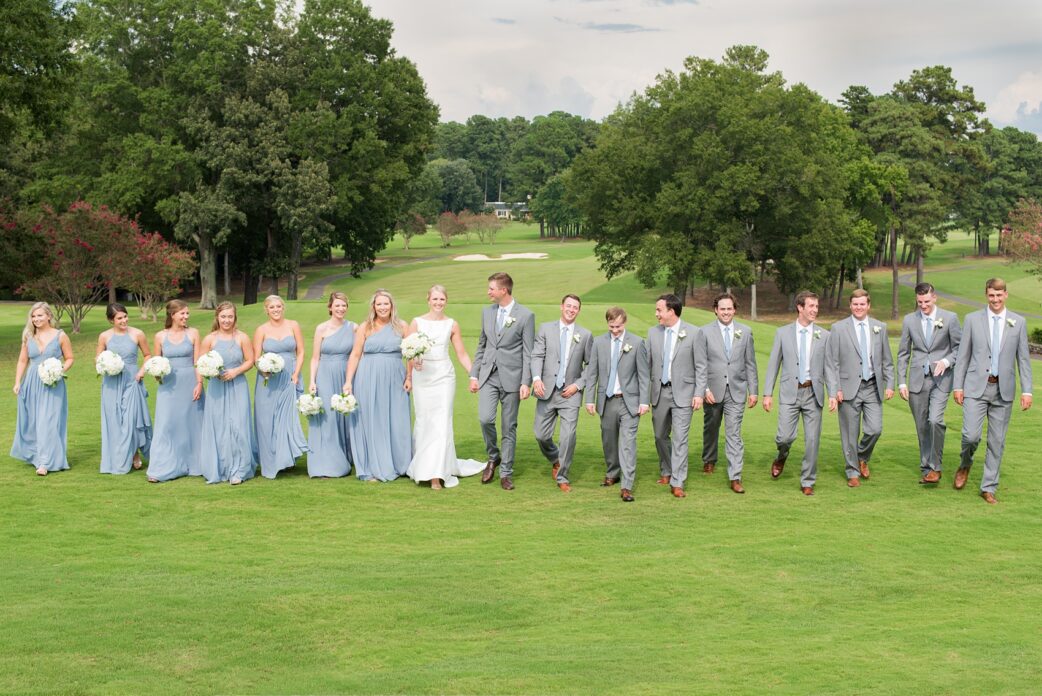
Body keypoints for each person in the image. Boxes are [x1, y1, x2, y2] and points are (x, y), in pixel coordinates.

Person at [952, 278, 1032, 504]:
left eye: (999, 295)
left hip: (1003, 391)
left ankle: (988, 487)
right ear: (986, 295)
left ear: (1006, 295)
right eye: (991, 295)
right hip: (975, 388)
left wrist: (1027, 391)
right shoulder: (971, 320)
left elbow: (1024, 360)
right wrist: (958, 386)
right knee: (971, 436)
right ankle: (965, 464)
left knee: (997, 441)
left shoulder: (1018, 322)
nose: (995, 300)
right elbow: (963, 356)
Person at [405, 285, 485, 489]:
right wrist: (412, 368)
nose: (438, 303)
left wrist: (473, 375)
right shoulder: (417, 322)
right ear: (428, 300)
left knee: (441, 422)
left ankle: (436, 474)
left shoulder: (452, 324)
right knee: (424, 421)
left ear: (446, 301)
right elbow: (408, 352)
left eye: (442, 299)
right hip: (423, 377)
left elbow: (462, 354)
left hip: (443, 377)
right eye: (435, 299)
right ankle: (422, 466)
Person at [469, 272, 535, 490]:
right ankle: (493, 456)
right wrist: (474, 374)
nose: (488, 292)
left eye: (491, 288)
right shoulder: (486, 312)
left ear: (503, 290)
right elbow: (482, 345)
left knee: (509, 427)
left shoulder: (526, 315)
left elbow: (528, 352)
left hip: (513, 379)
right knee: (485, 419)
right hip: (489, 376)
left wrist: (526, 382)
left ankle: (506, 472)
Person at [762, 291, 830, 496]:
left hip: (813, 393)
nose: (815, 310)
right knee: (784, 437)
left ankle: (807, 480)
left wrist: (834, 393)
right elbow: (773, 364)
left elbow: (830, 368)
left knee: (812, 440)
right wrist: (767, 393)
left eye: (816, 307)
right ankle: (782, 456)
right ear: (800, 307)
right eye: (811, 306)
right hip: (790, 393)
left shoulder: (825, 335)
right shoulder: (782, 333)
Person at [825, 289, 895, 487]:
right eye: (855, 304)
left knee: (874, 429)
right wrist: (835, 388)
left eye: (862, 304)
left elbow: (886, 360)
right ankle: (852, 471)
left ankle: (862, 456)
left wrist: (890, 383)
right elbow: (832, 363)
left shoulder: (880, 327)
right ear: (850, 305)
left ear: (868, 305)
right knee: (849, 433)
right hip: (847, 388)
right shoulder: (838, 328)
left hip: (873, 386)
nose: (858, 307)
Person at [896, 282, 962, 485]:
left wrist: (946, 361)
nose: (923, 306)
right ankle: (927, 467)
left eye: (926, 301)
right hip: (917, 381)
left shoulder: (950, 318)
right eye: (919, 302)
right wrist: (901, 382)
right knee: (921, 426)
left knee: (935, 420)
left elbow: (960, 348)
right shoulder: (909, 320)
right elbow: (903, 353)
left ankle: (936, 467)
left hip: (941, 381)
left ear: (934, 298)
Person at [344, 289, 412, 481]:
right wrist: (349, 381)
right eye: (379, 304)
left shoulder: (402, 326)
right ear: (373, 306)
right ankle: (373, 465)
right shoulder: (365, 327)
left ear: (392, 306)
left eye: (386, 304)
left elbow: (410, 354)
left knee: (397, 419)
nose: (383, 307)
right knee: (372, 419)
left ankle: (401, 464)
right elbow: (355, 354)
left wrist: (409, 377)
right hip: (368, 376)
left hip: (395, 377)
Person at [583, 307, 649, 502]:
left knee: (627, 444)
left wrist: (644, 401)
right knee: (609, 441)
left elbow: (644, 375)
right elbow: (592, 372)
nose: (615, 330)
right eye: (611, 326)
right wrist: (589, 399)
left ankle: (627, 486)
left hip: (630, 402)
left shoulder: (637, 343)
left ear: (625, 323)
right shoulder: (598, 342)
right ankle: (612, 472)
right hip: (607, 400)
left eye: (618, 326)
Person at [695, 292, 758, 494]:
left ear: (735, 310)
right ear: (715, 310)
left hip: (737, 391)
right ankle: (709, 458)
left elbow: (750, 363)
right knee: (711, 426)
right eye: (722, 309)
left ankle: (735, 476)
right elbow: (700, 364)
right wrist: (703, 389)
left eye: (729, 308)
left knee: (734, 433)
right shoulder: (703, 332)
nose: (726, 312)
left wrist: (753, 390)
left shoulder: (745, 331)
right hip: (712, 390)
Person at [532, 294, 593, 493]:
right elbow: (537, 355)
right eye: (568, 306)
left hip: (570, 394)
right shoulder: (545, 329)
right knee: (541, 434)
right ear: (561, 307)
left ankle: (563, 476)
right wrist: (536, 378)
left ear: (579, 311)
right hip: (546, 390)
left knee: (568, 436)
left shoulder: (585, 335)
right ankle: (555, 459)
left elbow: (590, 366)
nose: (571, 309)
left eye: (575, 307)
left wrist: (578, 385)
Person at [648, 293, 702, 498]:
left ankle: (677, 481)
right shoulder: (652, 333)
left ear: (671, 311)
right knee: (660, 436)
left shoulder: (695, 333)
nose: (656, 314)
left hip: (685, 394)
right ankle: (667, 470)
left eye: (659, 310)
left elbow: (701, 366)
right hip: (659, 393)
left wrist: (699, 393)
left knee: (680, 438)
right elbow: (648, 366)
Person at [10, 302, 74, 475]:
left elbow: (69, 358)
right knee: (33, 422)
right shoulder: (28, 336)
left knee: (48, 421)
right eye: (33, 316)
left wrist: (59, 370)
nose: (36, 319)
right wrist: (17, 382)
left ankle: (45, 462)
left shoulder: (60, 335)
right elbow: (23, 361)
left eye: (40, 315)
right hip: (31, 382)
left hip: (52, 383)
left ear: (49, 316)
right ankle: (37, 456)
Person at [199, 302, 258, 485]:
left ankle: (239, 469)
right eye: (223, 317)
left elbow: (250, 360)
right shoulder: (209, 339)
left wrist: (235, 372)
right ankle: (221, 467)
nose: (226, 320)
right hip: (217, 388)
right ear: (217, 317)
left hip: (237, 385)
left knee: (238, 426)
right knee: (220, 426)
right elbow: (201, 364)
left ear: (235, 318)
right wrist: (209, 373)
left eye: (230, 317)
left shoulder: (242, 338)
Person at [146, 300, 205, 483]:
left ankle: (195, 463)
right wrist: (157, 374)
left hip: (190, 382)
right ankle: (162, 467)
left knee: (192, 423)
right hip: (169, 385)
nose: (186, 317)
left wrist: (200, 383)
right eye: (182, 314)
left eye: (187, 314)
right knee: (166, 423)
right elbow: (157, 361)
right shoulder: (160, 337)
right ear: (172, 315)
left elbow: (198, 362)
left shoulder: (193, 333)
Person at [253, 295, 308, 479]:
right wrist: (264, 370)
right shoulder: (261, 330)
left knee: (286, 418)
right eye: (272, 307)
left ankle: (286, 459)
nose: (276, 310)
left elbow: (300, 351)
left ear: (283, 307)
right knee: (266, 419)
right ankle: (270, 461)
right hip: (267, 380)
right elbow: (256, 357)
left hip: (289, 377)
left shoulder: (293, 325)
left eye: (278, 306)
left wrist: (296, 373)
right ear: (266, 309)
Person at [97, 302, 153, 475]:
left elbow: (148, 355)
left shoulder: (138, 334)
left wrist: (142, 372)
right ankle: (119, 457)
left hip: (132, 380)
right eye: (119, 318)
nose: (124, 320)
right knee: (115, 421)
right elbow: (98, 358)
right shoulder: (104, 336)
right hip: (112, 383)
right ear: (111, 320)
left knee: (131, 419)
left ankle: (135, 453)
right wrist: (106, 364)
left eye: (125, 316)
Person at [306, 291, 355, 478]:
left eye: (344, 305)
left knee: (345, 415)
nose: (341, 309)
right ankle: (327, 461)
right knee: (328, 417)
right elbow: (315, 358)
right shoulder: (321, 329)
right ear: (330, 308)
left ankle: (347, 455)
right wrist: (312, 380)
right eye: (337, 306)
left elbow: (358, 354)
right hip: (325, 374)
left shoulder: (354, 328)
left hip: (346, 373)